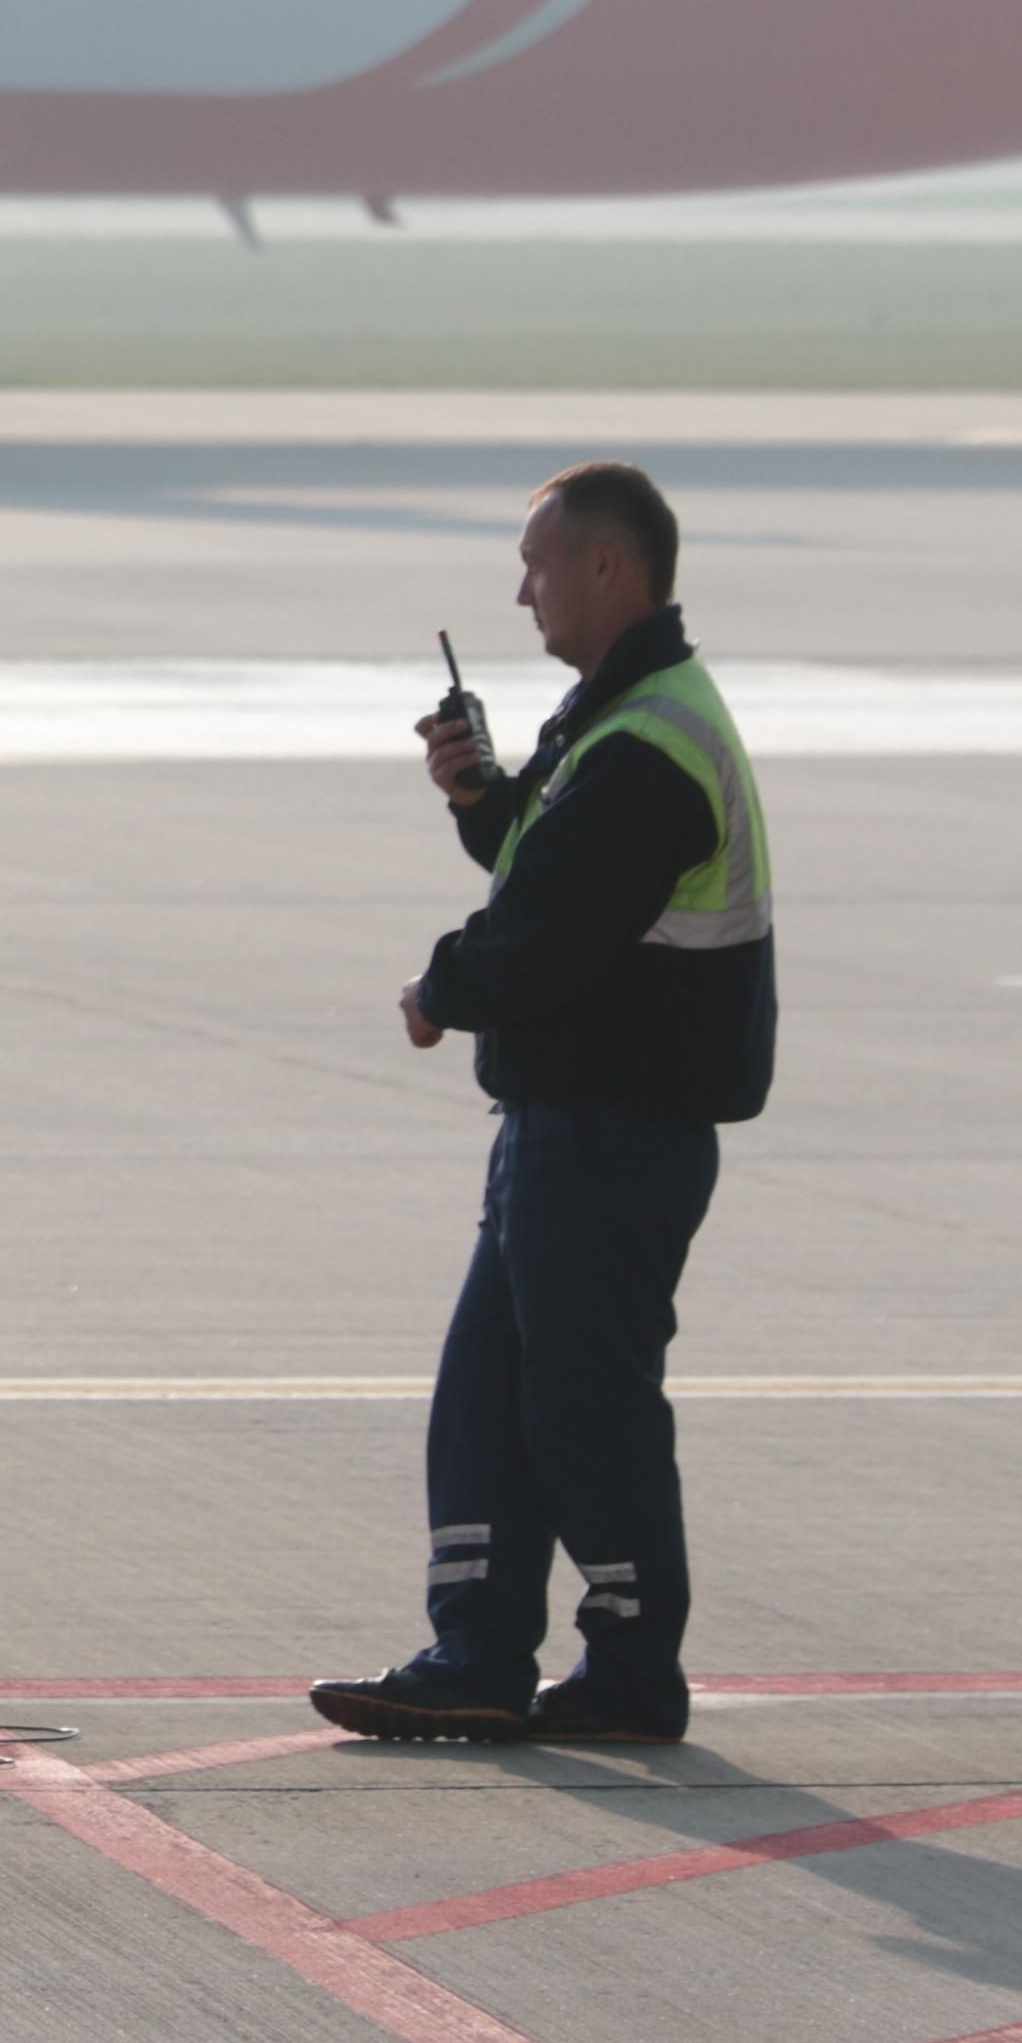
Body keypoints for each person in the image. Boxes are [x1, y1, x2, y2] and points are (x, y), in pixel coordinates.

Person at [314, 459, 776, 1750]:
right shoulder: (613, 720)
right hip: (566, 1129)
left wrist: (439, 989)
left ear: (607, 568)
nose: (521, 594)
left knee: (584, 1407)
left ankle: (630, 1669)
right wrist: (480, 796)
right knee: (490, 1400)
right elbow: (542, 861)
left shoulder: (647, 746)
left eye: (536, 566)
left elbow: (551, 931)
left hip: (614, 1134)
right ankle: (476, 1655)